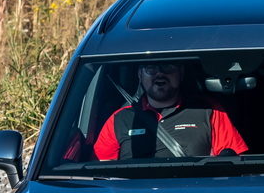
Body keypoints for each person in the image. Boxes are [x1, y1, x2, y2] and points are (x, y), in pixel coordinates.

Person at [92, 61, 249, 160]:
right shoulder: (119, 119)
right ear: (140, 75)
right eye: (151, 68)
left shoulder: (208, 110)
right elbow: (102, 173)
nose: (160, 73)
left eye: (168, 67)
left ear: (181, 73)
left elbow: (233, 162)